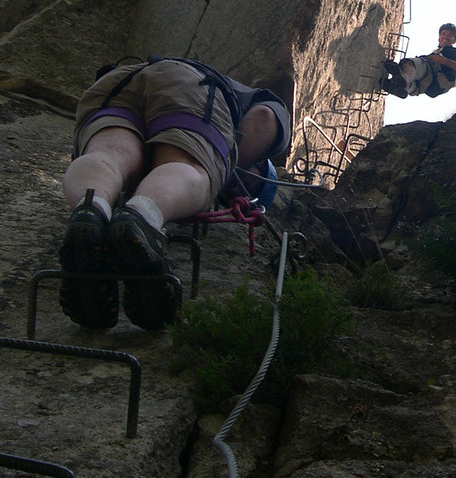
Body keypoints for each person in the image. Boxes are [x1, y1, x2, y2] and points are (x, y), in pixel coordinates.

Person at [58, 56, 291, 331]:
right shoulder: (255, 100)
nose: (235, 192)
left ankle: (91, 210)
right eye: (251, 184)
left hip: (116, 82)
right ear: (257, 168)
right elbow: (265, 117)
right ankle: (142, 218)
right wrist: (223, 168)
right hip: (194, 90)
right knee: (185, 165)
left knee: (110, 154)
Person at [381, 23, 456, 99]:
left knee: (409, 64)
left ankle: (404, 81)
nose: (445, 37)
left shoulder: (451, 51)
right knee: (413, 86)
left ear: (454, 40)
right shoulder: (439, 51)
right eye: (443, 34)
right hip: (430, 87)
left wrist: (444, 61)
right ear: (439, 37)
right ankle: (403, 88)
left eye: (450, 35)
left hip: (430, 73)